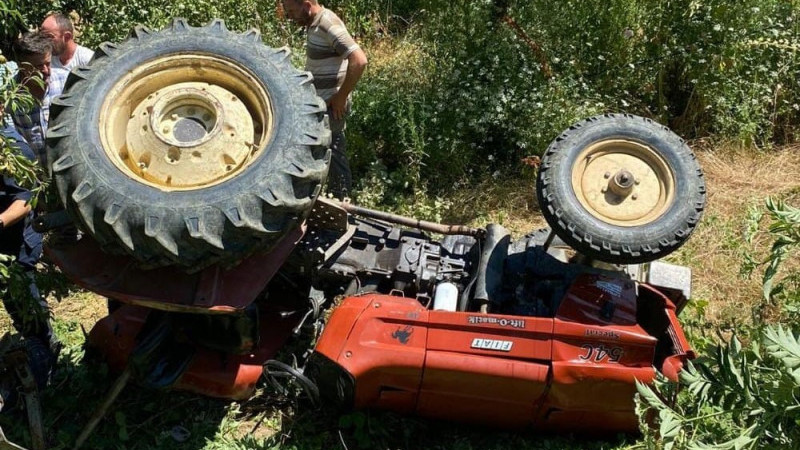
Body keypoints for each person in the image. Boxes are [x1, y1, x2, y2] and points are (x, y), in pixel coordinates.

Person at [282, 0, 368, 199]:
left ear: (306, 4)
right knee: (325, 151)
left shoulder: (327, 23)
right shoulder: (314, 24)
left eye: (292, 11)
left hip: (332, 105)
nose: (290, 16)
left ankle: (341, 200)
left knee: (333, 152)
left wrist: (341, 97)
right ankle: (328, 197)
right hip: (321, 103)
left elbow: (359, 60)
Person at [0, 101, 58, 391]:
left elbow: (24, 201)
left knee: (24, 303)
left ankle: (45, 362)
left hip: (15, 243)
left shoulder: (11, 149)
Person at [11, 31, 69, 167]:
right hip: (35, 176)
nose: (46, 71)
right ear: (22, 66)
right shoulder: (11, 94)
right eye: (38, 66)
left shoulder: (65, 81)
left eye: (48, 64)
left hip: (66, 169)